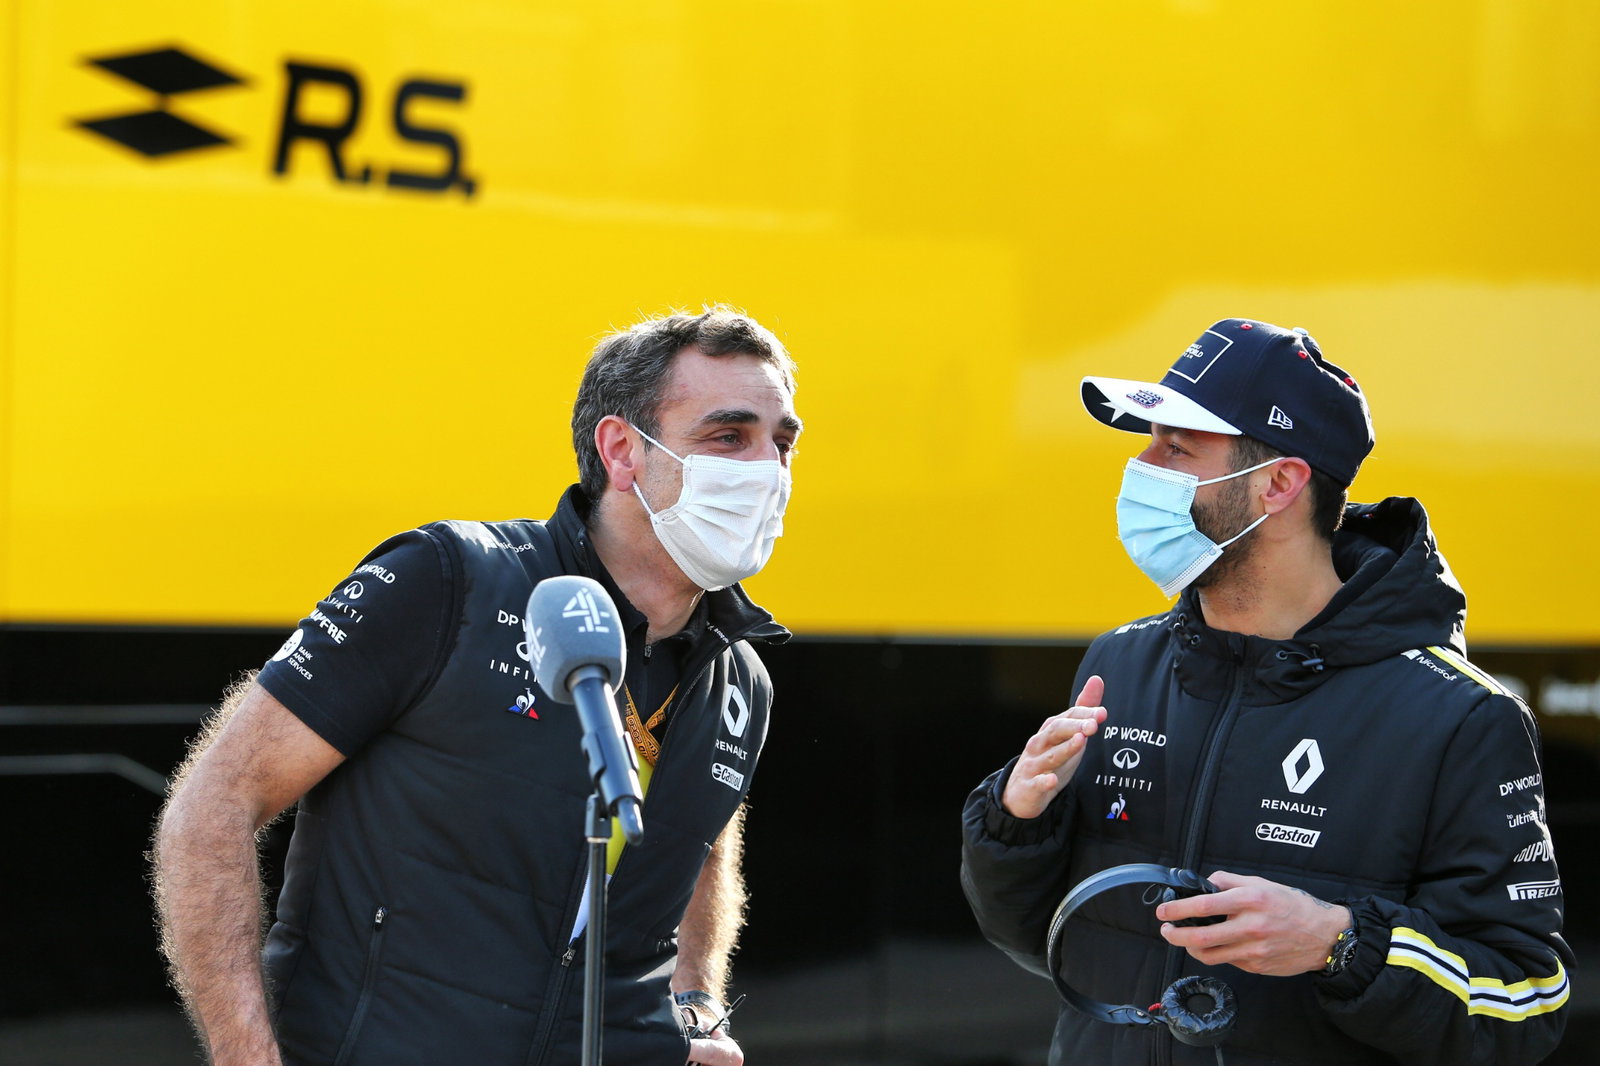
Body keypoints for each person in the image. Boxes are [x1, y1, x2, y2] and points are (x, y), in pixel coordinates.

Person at [153, 308, 803, 1066]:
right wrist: (246, 1058)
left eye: (782, 443)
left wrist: (694, 1006)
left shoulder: (739, 677)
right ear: (623, 451)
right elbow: (214, 804)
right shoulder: (446, 581)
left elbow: (704, 841)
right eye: (729, 437)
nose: (768, 470)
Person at [960, 318, 1571, 1064]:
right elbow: (1036, 938)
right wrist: (1018, 822)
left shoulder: (1460, 716)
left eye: (1176, 447)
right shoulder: (1121, 662)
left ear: (1278, 483)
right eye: (1149, 440)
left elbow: (1527, 1004)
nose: (1141, 465)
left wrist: (1339, 943)